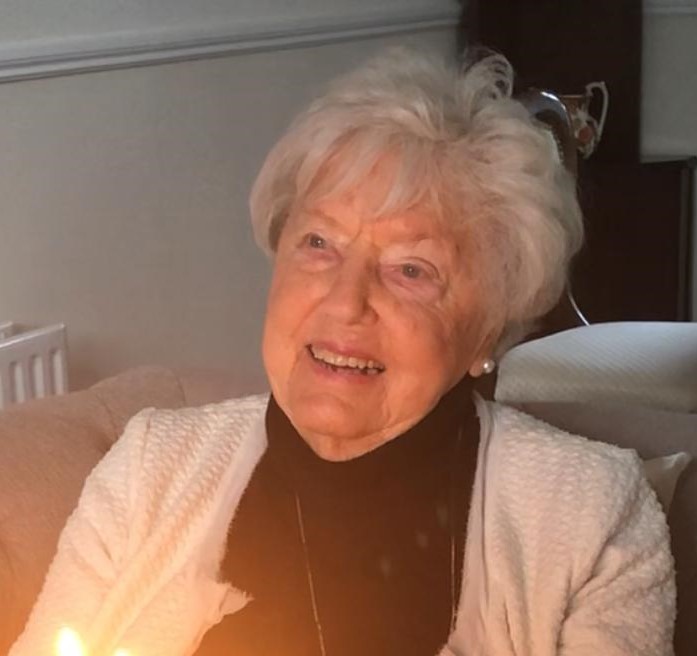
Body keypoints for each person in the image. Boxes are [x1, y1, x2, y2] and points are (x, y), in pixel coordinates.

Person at [10, 49, 675, 656]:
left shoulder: (590, 516)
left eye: (411, 270)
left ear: (485, 333)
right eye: (319, 244)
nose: (344, 302)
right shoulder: (147, 469)